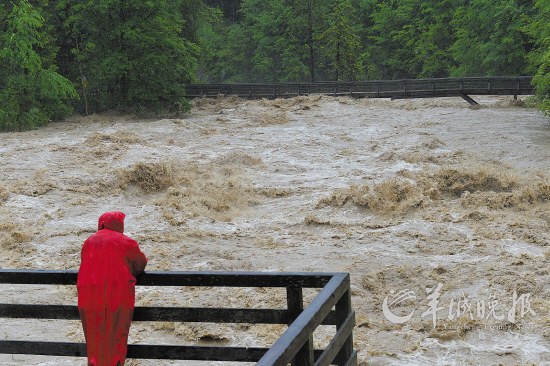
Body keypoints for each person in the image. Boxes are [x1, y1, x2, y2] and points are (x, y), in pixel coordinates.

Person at [77, 211, 148, 366]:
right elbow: (140, 264)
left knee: (95, 341)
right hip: (116, 297)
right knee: (115, 340)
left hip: (89, 297)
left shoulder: (89, 241)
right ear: (118, 224)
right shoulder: (127, 242)